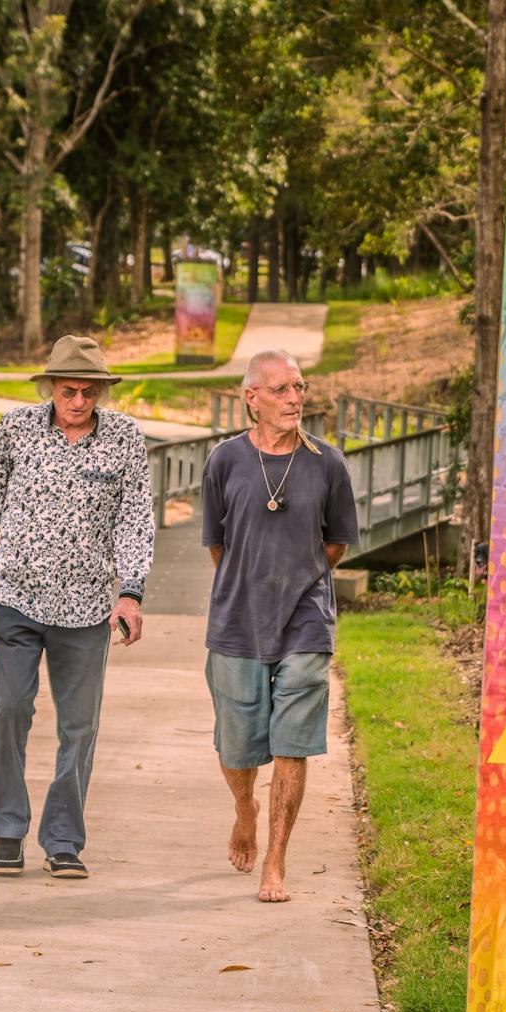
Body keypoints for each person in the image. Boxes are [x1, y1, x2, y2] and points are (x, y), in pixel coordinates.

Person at [0, 336, 152, 879]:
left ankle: (63, 838)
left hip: (88, 605)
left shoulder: (125, 438)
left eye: (90, 392)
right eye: (69, 390)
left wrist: (131, 591)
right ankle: (7, 828)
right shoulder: (16, 428)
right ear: (50, 388)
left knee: (80, 726)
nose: (79, 401)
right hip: (17, 595)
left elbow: (135, 517)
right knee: (9, 709)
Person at [199, 350, 357, 902]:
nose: (295, 398)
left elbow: (334, 544)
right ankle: (245, 807)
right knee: (238, 745)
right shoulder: (223, 461)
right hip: (237, 622)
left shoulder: (328, 464)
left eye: (300, 387)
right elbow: (218, 544)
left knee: (293, 742)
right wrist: (251, 583)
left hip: (306, 621)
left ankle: (276, 859)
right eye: (282, 389)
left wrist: (298, 581)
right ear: (252, 398)